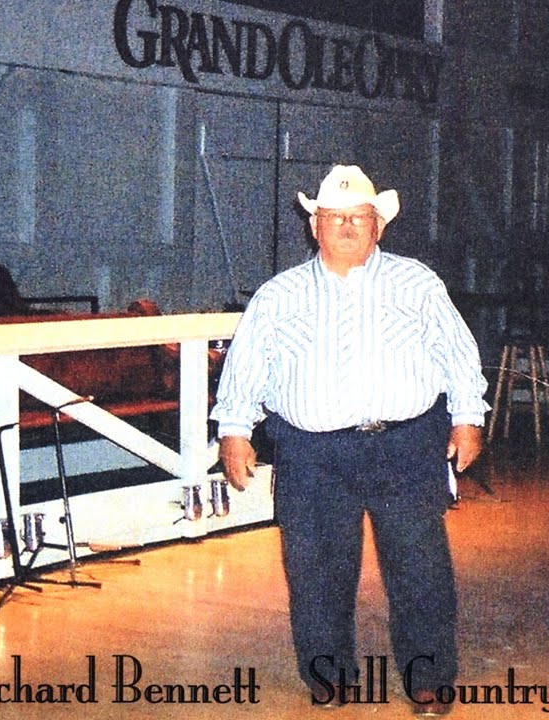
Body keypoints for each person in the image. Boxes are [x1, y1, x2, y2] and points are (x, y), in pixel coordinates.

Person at [210, 165, 490, 717]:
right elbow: (247, 368)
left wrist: (468, 418)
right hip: (311, 454)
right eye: (334, 216)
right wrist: (235, 432)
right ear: (314, 224)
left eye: (359, 217)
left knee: (420, 568)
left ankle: (429, 676)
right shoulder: (278, 295)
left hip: (405, 445)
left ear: (378, 226)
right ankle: (328, 675)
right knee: (315, 571)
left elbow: (457, 353)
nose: (346, 226)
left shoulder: (417, 283)